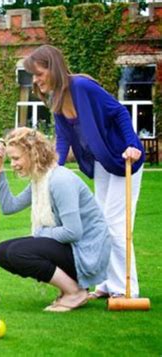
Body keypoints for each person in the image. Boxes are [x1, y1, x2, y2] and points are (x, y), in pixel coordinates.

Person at [23, 45, 145, 299]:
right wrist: (51, 170)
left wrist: (133, 145)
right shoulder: (57, 101)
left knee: (115, 223)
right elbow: (63, 141)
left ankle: (125, 289)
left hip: (124, 160)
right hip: (101, 164)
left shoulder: (82, 87)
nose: (35, 80)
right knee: (99, 225)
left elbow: (119, 112)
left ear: (52, 67)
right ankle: (105, 284)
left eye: (38, 73)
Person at [0, 128, 111, 312]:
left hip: (86, 253)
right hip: (68, 247)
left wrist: (41, 233)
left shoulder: (60, 180)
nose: (13, 164)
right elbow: (9, 206)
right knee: (2, 252)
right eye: (11, 159)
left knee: (18, 252)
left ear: (33, 153)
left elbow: (73, 231)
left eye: (16, 158)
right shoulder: (40, 179)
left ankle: (75, 292)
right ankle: (70, 288)